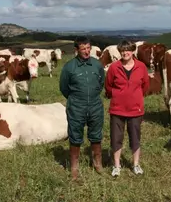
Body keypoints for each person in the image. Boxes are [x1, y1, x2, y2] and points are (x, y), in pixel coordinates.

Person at [59, 37, 105, 181]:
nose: (86, 51)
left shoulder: (97, 65)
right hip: (76, 106)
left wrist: (92, 96)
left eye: (88, 48)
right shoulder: (69, 67)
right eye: (83, 49)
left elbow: (101, 82)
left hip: (95, 105)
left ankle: (97, 163)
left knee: (96, 134)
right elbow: (64, 88)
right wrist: (76, 99)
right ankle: (74, 167)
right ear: (77, 50)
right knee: (75, 135)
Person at [104, 39, 150, 177]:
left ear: (133, 51)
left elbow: (145, 86)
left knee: (135, 137)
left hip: (135, 109)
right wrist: (118, 95)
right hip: (117, 109)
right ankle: (117, 166)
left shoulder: (141, 67)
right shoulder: (114, 67)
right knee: (116, 138)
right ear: (120, 52)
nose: (125, 53)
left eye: (128, 50)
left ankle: (136, 164)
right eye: (123, 50)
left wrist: (134, 96)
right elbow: (108, 86)